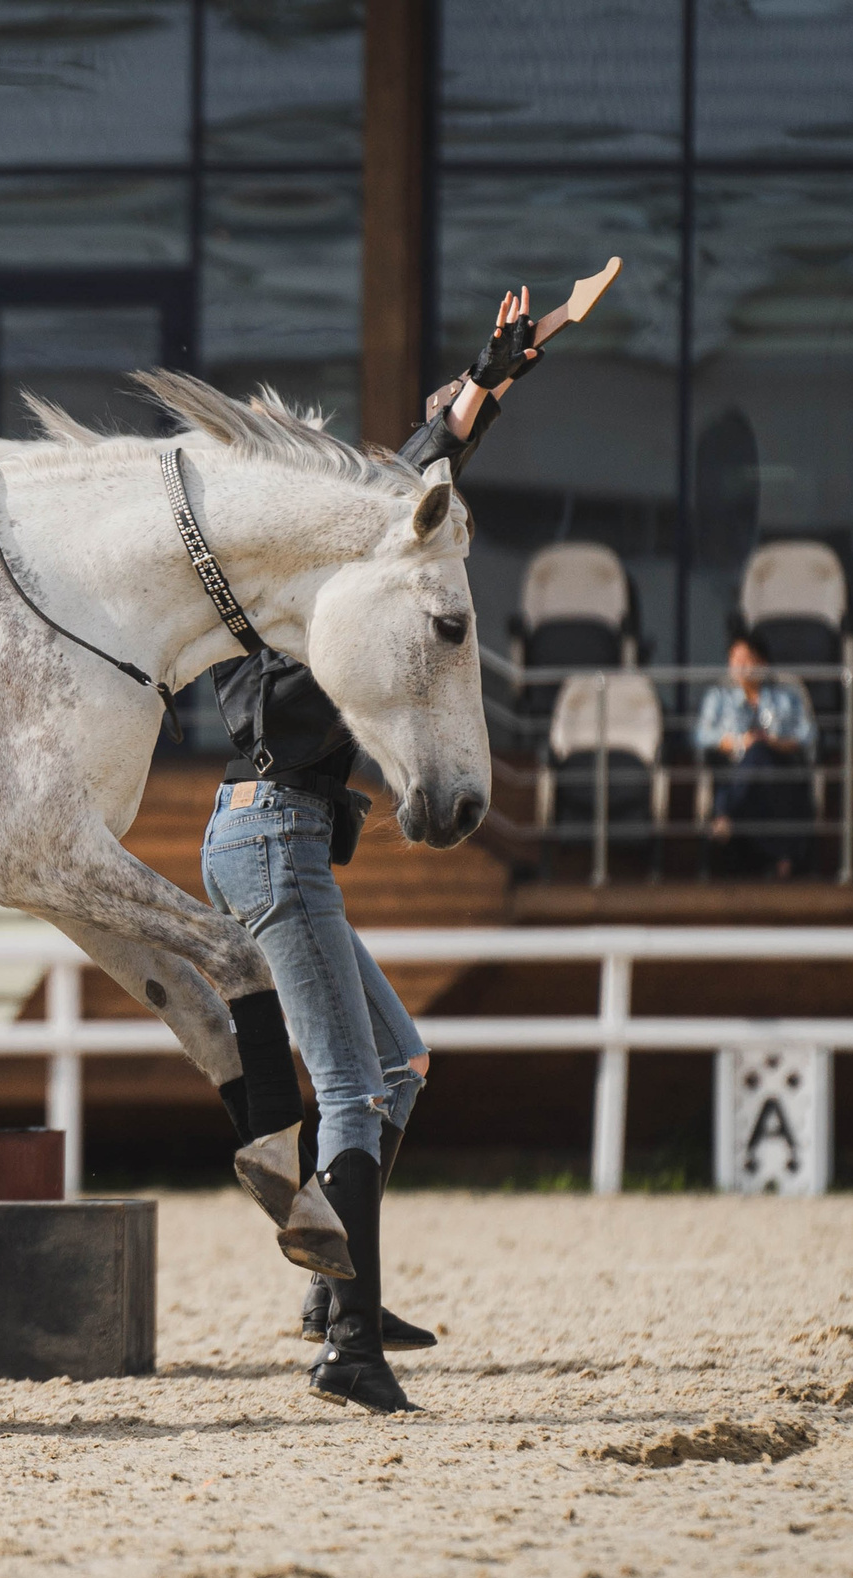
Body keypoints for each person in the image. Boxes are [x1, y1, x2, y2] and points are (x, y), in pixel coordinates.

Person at [202, 288, 543, 1414]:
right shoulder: (308, 605)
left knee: (399, 1067)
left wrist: (490, 380)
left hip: (274, 836)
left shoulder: (310, 590)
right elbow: (407, 486)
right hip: (271, 837)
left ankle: (333, 1297)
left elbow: (411, 481)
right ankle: (350, 1344)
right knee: (349, 1089)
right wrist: (476, 396)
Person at [697, 636, 816, 877]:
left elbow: (807, 734)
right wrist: (740, 742)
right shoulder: (718, 696)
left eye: (746, 659)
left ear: (762, 664)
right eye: (734, 659)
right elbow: (702, 736)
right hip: (735, 768)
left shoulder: (787, 695)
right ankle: (783, 858)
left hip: (780, 765)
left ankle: (724, 813)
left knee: (761, 753)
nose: (739, 666)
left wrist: (775, 743)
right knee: (755, 756)